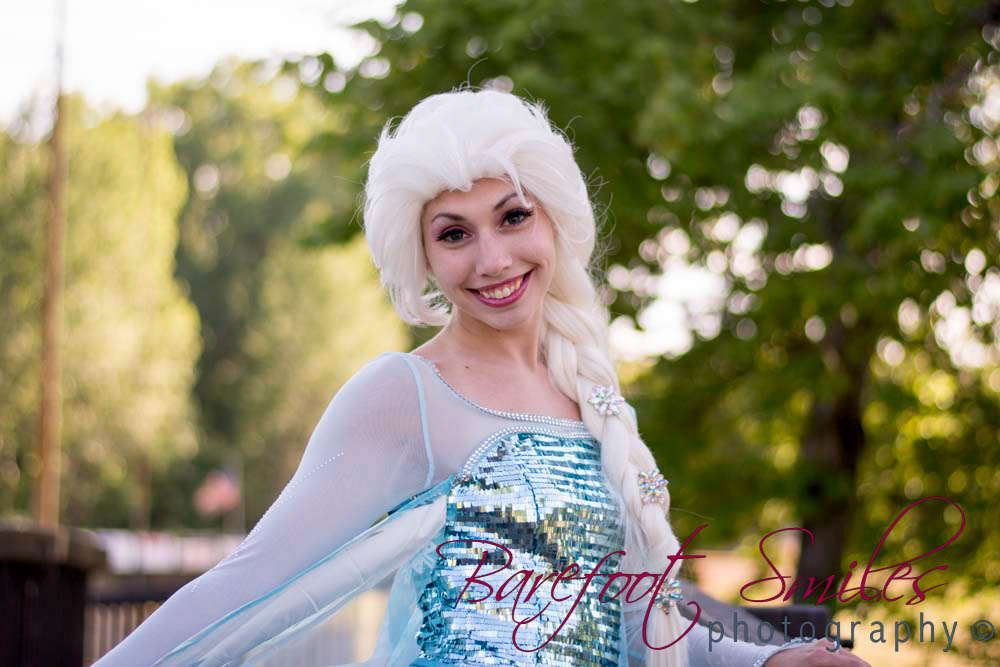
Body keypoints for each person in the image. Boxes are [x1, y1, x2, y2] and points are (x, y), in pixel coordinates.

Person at [93, 88, 870, 666]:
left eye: (513, 216)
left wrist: (768, 657)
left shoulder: (590, 393)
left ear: (554, 219)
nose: (492, 259)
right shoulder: (404, 394)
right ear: (424, 256)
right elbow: (247, 581)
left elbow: (636, 620)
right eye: (454, 233)